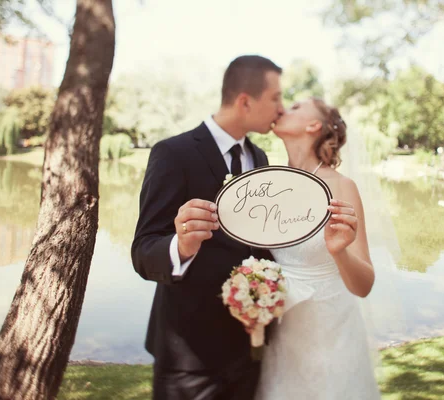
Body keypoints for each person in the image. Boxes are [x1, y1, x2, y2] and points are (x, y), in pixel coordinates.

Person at [131, 55, 284, 400]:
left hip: (247, 349)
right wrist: (181, 245)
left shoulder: (260, 159)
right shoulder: (173, 153)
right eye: (275, 98)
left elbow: (257, 247)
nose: (280, 108)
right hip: (188, 358)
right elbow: (143, 251)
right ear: (246, 100)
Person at [255, 97, 382, 399]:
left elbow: (364, 286)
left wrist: (340, 251)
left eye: (296, 107)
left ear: (314, 125)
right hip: (282, 336)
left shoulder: (340, 187)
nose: (284, 108)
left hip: (330, 334)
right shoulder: (268, 184)